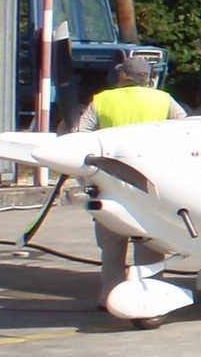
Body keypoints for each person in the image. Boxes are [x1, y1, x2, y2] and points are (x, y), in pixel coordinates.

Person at [74, 60, 186, 308]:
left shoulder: (103, 100)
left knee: (113, 244)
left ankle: (109, 296)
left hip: (110, 182)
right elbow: (186, 129)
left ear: (123, 75)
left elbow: (80, 136)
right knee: (150, 240)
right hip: (151, 183)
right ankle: (151, 294)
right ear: (148, 77)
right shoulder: (163, 100)